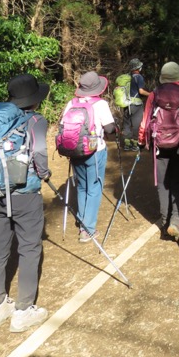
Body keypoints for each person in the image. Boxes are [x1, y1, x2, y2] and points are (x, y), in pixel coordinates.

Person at [0, 74, 52, 333]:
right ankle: (23, 311)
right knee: (29, 249)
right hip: (24, 194)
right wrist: (43, 173)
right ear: (34, 99)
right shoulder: (36, 121)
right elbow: (39, 152)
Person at [139, 62, 179, 241]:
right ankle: (177, 220)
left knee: (163, 184)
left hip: (159, 144)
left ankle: (165, 224)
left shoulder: (155, 94)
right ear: (178, 77)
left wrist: (142, 141)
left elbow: (145, 120)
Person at [67, 71, 116, 242]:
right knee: (94, 188)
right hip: (95, 150)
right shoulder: (100, 104)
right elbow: (109, 129)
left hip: (74, 150)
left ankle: (83, 221)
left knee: (82, 186)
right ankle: (87, 229)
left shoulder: (71, 103)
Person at [119, 59, 150, 151]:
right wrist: (151, 94)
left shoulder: (127, 77)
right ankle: (135, 144)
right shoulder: (139, 77)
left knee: (127, 124)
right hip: (136, 105)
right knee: (136, 125)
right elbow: (141, 91)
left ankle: (127, 144)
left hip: (126, 104)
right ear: (138, 68)